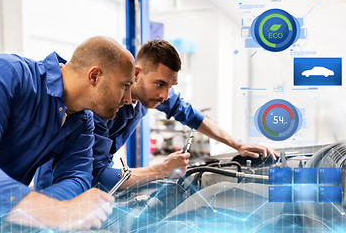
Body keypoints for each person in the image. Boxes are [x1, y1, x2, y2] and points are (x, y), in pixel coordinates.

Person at [35, 39, 277, 193]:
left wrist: (237, 144)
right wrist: (161, 169)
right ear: (137, 73)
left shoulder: (152, 94)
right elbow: (97, 175)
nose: (165, 95)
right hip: (59, 186)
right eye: (160, 84)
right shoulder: (97, 107)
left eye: (170, 86)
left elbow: (193, 116)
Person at [0, 36, 134, 230]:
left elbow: (77, 177)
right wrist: (43, 209)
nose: (129, 100)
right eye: (124, 86)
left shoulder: (82, 121)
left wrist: (30, 212)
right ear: (95, 76)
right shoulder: (7, 73)